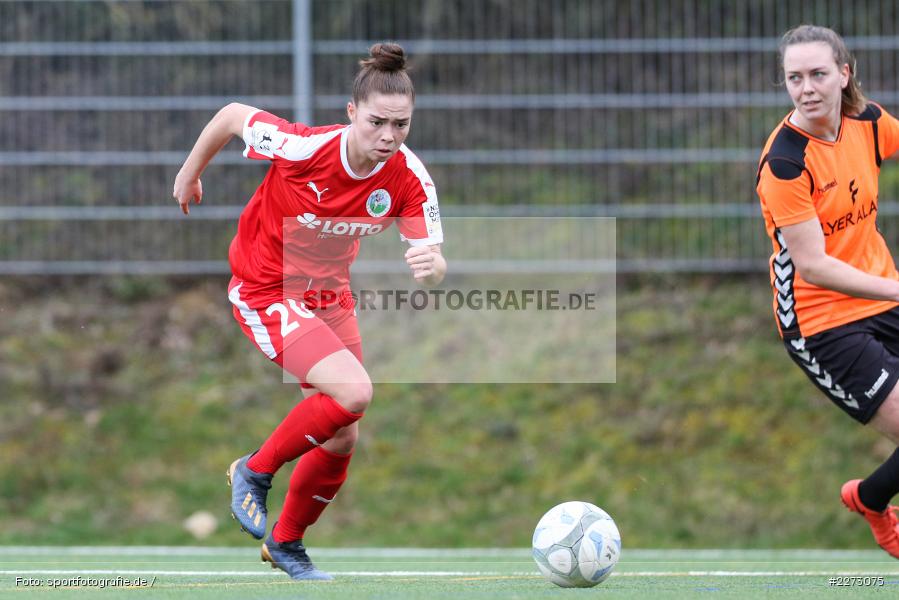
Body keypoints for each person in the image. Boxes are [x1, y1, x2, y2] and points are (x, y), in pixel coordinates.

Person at [172, 42, 446, 579]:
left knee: (344, 432)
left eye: (401, 125)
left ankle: (286, 543)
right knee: (355, 392)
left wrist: (431, 266)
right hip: (266, 289)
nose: (388, 136)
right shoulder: (303, 148)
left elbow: (433, 262)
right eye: (376, 122)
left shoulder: (410, 178)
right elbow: (232, 115)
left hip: (328, 297)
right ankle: (254, 470)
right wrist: (190, 173)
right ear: (351, 113)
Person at [757, 24, 899, 558]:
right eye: (794, 78)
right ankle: (872, 501)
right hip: (822, 324)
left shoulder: (868, 122)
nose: (806, 88)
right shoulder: (786, 161)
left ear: (844, 73)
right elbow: (814, 267)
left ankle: (869, 496)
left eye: (817, 74)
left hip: (882, 296)